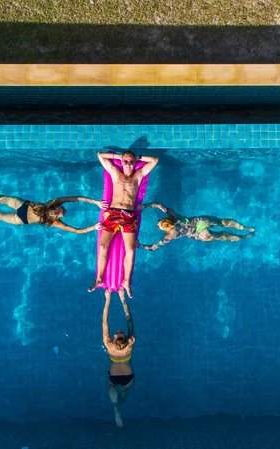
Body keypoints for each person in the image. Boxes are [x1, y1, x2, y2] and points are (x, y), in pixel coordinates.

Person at [88, 151, 159, 298]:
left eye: (131, 162)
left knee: (131, 250)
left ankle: (126, 281)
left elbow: (155, 160)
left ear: (134, 162)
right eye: (125, 162)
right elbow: (100, 155)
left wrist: (137, 157)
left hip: (128, 214)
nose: (128, 164)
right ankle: (99, 278)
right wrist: (118, 157)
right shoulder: (115, 173)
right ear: (122, 161)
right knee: (102, 246)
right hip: (113, 213)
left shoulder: (138, 175)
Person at [0, 192, 105, 235]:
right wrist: (96, 203)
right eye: (64, 211)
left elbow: (76, 231)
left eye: (64, 213)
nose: (65, 212)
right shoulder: (56, 202)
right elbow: (76, 198)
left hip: (19, 218)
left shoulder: (55, 222)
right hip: (23, 205)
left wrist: (93, 227)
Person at [137, 202, 255, 250]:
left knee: (223, 236)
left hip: (199, 234)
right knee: (222, 222)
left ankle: (245, 236)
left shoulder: (170, 235)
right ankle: (246, 228)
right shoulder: (174, 216)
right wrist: (147, 205)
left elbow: (154, 247)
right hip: (200, 221)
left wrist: (141, 246)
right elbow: (160, 206)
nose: (158, 224)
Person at [102, 289, 135, 428]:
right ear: (125, 338)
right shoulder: (130, 344)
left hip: (114, 375)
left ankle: (116, 409)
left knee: (111, 386)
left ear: (114, 339)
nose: (118, 331)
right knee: (123, 391)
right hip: (127, 377)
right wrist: (123, 298)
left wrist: (107, 299)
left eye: (116, 333)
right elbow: (129, 320)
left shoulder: (109, 345)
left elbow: (105, 321)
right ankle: (118, 406)